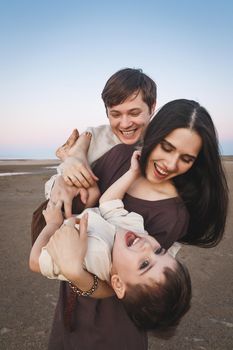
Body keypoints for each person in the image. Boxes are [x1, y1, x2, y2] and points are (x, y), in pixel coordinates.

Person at [40, 99, 228, 350]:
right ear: (155, 134)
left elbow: (125, 284)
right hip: (72, 303)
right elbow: (75, 211)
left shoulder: (172, 215)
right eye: (166, 147)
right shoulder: (119, 158)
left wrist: (76, 274)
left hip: (113, 321)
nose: (170, 164)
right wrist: (66, 178)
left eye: (186, 158)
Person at [30, 150, 192, 331]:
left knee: (85, 190)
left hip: (48, 231)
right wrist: (132, 173)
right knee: (92, 191)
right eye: (159, 251)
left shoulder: (93, 256)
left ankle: (69, 157)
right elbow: (108, 202)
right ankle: (71, 155)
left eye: (144, 264)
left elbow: (35, 262)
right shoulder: (135, 229)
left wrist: (53, 223)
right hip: (82, 214)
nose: (147, 247)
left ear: (117, 283)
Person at [45, 67, 157, 217]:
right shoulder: (95, 137)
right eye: (115, 114)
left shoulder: (165, 143)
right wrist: (63, 177)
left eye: (134, 113)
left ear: (152, 107)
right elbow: (53, 183)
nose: (125, 124)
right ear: (107, 113)